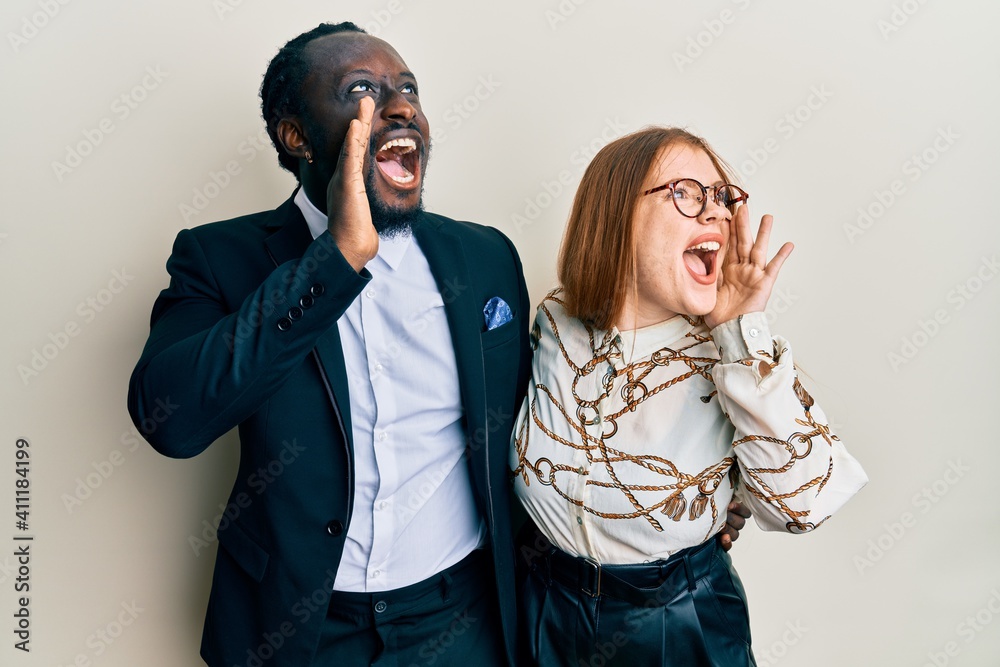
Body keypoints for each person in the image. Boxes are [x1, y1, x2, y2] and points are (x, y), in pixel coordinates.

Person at [128, 22, 750, 667]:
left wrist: (698, 494)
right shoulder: (218, 256)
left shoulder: (483, 258)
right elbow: (169, 421)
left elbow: (544, 409)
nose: (399, 106)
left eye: (408, 90)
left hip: (464, 622)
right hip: (299, 629)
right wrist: (334, 261)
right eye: (361, 89)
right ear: (295, 134)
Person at [510, 127, 868, 666]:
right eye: (688, 193)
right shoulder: (555, 322)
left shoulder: (730, 357)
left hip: (676, 624)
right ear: (615, 213)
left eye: (722, 198)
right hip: (545, 613)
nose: (717, 214)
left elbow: (802, 505)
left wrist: (741, 329)